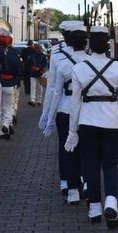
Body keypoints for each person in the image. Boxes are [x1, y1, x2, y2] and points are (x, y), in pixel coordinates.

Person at [67, 26, 118, 228]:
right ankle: (111, 201)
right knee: (110, 164)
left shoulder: (79, 68)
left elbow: (75, 104)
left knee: (90, 164)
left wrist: (72, 131)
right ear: (107, 45)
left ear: (89, 45)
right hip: (111, 121)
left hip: (87, 121)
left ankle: (94, 207)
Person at [44, 24, 90, 205]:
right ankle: (86, 182)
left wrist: (49, 114)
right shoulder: (90, 61)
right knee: (86, 149)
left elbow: (55, 92)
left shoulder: (61, 62)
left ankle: (72, 191)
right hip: (86, 110)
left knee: (68, 149)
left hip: (66, 108)